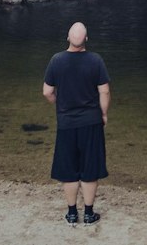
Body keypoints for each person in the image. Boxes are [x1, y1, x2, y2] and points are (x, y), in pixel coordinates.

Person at [43, 21, 111, 226]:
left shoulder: (56, 60)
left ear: (68, 38)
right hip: (91, 121)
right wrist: (104, 114)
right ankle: (89, 213)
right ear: (86, 39)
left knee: (69, 169)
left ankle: (72, 213)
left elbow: (47, 92)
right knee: (90, 168)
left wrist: (59, 103)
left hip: (66, 123)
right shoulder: (95, 60)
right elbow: (104, 91)